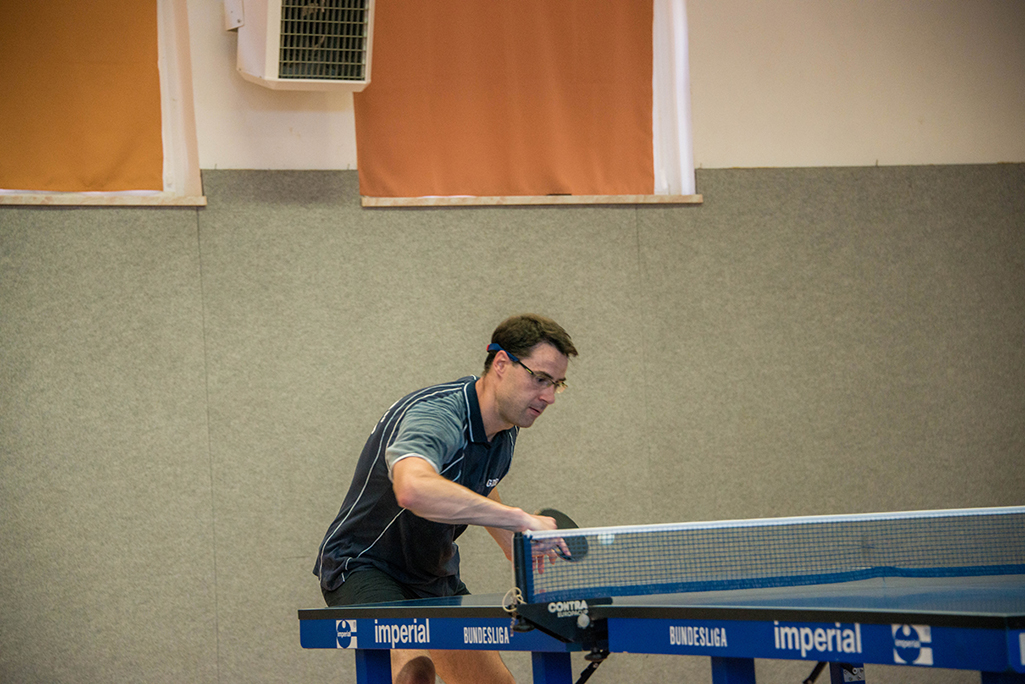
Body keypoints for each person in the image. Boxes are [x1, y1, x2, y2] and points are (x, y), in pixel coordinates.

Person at [314, 313, 578, 684]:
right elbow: (413, 488)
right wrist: (518, 518)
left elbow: (476, 482)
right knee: (415, 672)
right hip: (366, 566)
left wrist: (511, 541)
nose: (548, 396)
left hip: (434, 575)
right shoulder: (439, 414)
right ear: (502, 364)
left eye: (557, 384)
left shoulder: (505, 428)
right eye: (540, 378)